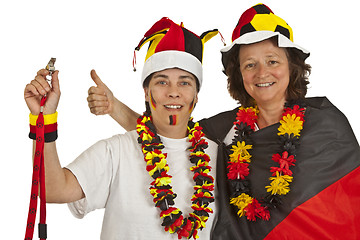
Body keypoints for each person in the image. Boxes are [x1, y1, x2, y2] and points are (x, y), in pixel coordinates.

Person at [87, 4, 360, 240]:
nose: (262, 73)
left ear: (292, 66)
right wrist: (114, 107)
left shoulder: (327, 123)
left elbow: (346, 205)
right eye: (250, 64)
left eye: (272, 60)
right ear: (239, 75)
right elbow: (165, 137)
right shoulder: (225, 129)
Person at [24, 17, 221, 239]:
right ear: (146, 93)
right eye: (162, 82)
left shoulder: (219, 157)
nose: (173, 92)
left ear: (196, 94)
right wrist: (44, 117)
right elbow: (52, 189)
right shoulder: (116, 151)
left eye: (184, 82)